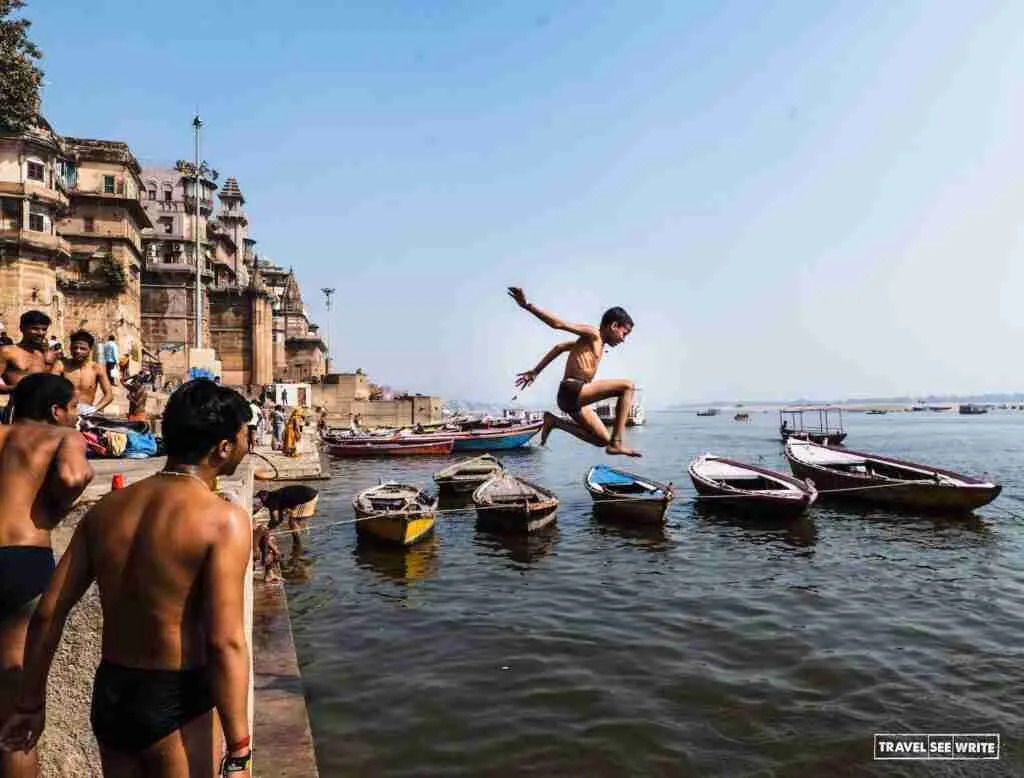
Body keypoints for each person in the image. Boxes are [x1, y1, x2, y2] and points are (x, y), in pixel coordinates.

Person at [0, 379, 253, 776]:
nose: (246, 445)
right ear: (223, 447)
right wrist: (239, 750)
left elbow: (49, 613)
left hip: (112, 693)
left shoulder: (108, 509)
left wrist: (30, 703)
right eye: (244, 436)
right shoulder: (223, 521)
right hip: (177, 695)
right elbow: (226, 642)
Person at [0, 374, 93, 777]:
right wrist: (52, 511)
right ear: (56, 411)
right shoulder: (61, 436)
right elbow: (76, 477)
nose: (75, 417)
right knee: (15, 700)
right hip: (22, 557)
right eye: (73, 408)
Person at [509, 287, 640, 457]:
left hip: (572, 400)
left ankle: (555, 422)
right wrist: (527, 305)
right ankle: (617, 443)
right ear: (614, 326)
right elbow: (559, 325)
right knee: (627, 386)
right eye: (624, 333)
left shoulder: (594, 344)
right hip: (572, 390)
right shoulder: (594, 334)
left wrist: (535, 371)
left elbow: (560, 347)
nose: (623, 339)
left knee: (601, 440)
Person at [0, 311, 63, 396]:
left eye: (44, 329)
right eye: (35, 329)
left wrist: (50, 364)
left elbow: (52, 384)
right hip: (19, 405)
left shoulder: (47, 354)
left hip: (44, 406)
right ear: (22, 328)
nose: (40, 333)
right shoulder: (7, 352)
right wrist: (16, 388)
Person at [61, 330, 114, 416]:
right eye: (75, 347)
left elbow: (109, 395)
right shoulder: (61, 365)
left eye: (83, 349)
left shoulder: (97, 368)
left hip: (86, 414)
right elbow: (50, 390)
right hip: (65, 413)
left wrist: (94, 409)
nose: (78, 351)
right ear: (70, 348)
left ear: (90, 350)